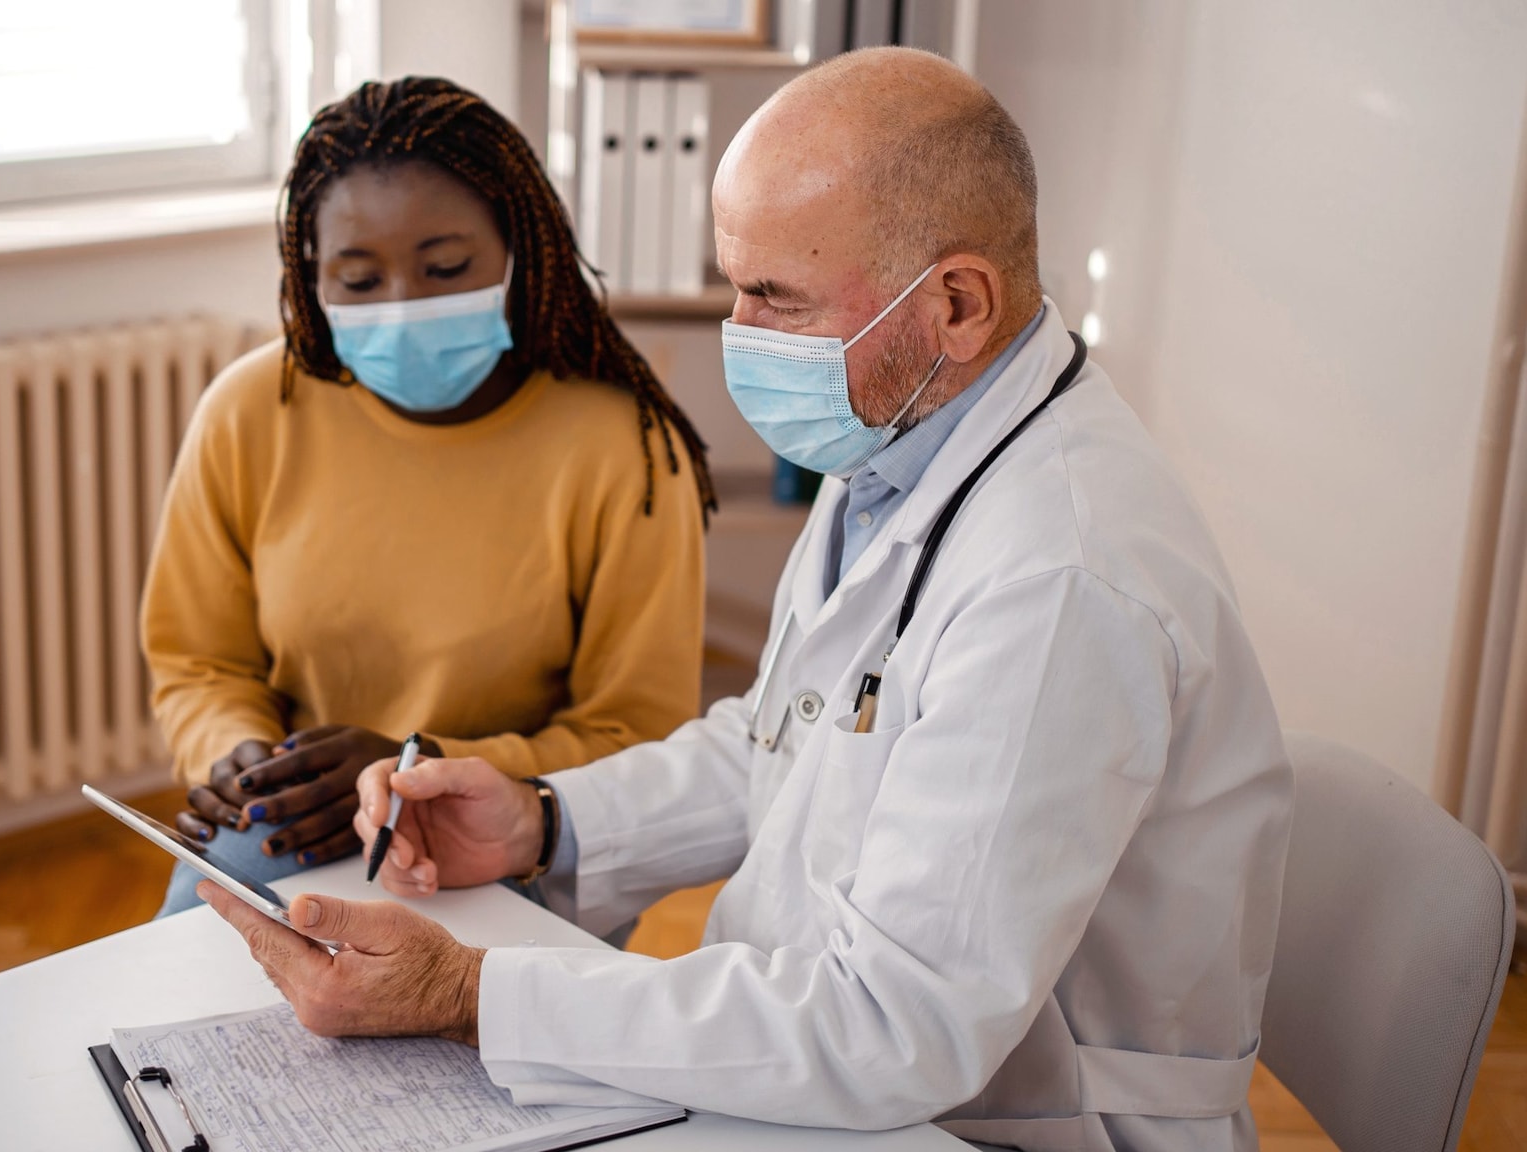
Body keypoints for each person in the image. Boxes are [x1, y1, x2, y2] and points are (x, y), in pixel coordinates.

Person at [198, 48, 1293, 1151]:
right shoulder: (908, 437)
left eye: (775, 296)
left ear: (956, 304)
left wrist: (468, 992)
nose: (739, 332)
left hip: (996, 1121)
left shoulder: (1060, 582)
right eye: (733, 282)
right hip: (826, 1062)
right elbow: (782, 744)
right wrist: (543, 821)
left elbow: (892, 1027)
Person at [145, 76, 714, 917]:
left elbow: (636, 738)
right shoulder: (248, 412)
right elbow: (199, 662)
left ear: (519, 247)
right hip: (297, 825)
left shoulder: (622, 448)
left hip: (516, 833)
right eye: (359, 281)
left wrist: (425, 765)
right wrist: (240, 756)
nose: (403, 308)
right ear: (312, 276)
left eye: (446, 267)